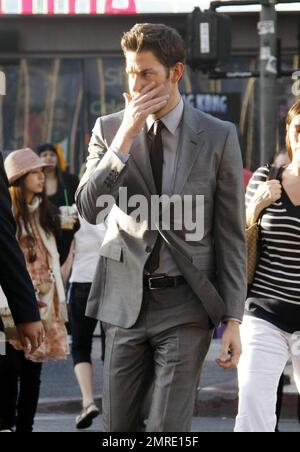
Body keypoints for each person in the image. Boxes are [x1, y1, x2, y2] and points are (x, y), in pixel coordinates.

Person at [76, 23, 247, 432]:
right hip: (122, 302)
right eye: (131, 73)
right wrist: (124, 140)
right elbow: (90, 209)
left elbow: (230, 235)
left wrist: (234, 320)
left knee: (167, 430)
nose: (136, 84)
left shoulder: (218, 136)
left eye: (147, 73)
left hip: (186, 303)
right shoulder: (108, 129)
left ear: (176, 72)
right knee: (119, 429)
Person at [235, 101, 300, 433]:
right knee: (253, 411)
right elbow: (238, 239)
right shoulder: (265, 177)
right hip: (264, 311)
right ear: (289, 134)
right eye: (298, 129)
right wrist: (257, 205)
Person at [0, 148, 69, 432]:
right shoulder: (10, 213)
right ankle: (7, 422)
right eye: (35, 172)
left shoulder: (48, 213)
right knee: (8, 369)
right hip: (8, 306)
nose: (42, 177)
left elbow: (58, 254)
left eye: (43, 172)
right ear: (19, 178)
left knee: (33, 373)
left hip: (44, 303)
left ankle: (24, 428)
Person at [68, 212, 107, 430]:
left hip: (82, 281)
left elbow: (67, 253)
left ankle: (88, 401)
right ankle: (113, 402)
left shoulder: (74, 211)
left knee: (81, 346)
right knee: (113, 348)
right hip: (111, 282)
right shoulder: (116, 207)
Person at [37, 143, 79, 265]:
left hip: (67, 229)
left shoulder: (70, 180)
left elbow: (79, 203)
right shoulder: (34, 181)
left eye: (52, 154)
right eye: (44, 155)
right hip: (43, 230)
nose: (49, 157)